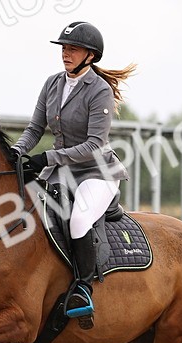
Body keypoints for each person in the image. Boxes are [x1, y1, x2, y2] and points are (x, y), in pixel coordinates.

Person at [9, 21, 136, 323]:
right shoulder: (53, 83)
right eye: (64, 48)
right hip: (60, 172)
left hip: (96, 173)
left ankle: (83, 288)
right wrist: (15, 151)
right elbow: (35, 128)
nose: (66, 53)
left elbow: (94, 144)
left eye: (73, 49)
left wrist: (48, 157)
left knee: (79, 219)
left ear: (90, 56)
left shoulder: (100, 90)